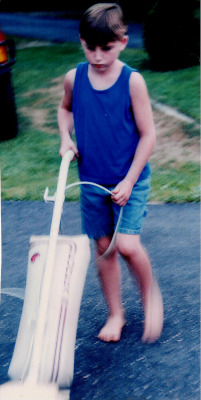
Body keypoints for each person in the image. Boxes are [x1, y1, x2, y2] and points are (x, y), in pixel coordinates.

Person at [58, 3, 163, 343]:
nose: (98, 56)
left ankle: (150, 299)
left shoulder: (133, 81)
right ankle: (116, 314)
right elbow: (64, 110)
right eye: (90, 47)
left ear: (122, 42)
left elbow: (148, 135)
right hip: (92, 180)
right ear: (81, 42)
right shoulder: (75, 77)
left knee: (128, 245)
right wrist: (65, 138)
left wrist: (130, 181)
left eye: (107, 47)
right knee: (104, 248)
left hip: (128, 179)